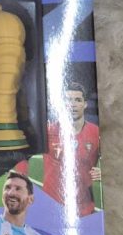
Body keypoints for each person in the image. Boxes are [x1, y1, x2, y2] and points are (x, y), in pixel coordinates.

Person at [29, 82, 101, 217]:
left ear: (85, 104)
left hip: (84, 208)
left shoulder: (96, 132)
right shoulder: (48, 131)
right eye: (68, 100)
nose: (73, 104)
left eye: (78, 100)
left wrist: (104, 172)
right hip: (51, 206)